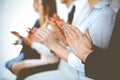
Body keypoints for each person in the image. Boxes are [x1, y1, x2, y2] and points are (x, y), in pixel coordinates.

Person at [34, 0, 115, 79]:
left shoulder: (104, 15)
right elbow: (81, 48)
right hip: (67, 70)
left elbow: (93, 65)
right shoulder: (85, 8)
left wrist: (54, 45)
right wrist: (67, 41)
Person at [62, 8, 120, 80]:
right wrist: (72, 41)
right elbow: (113, 56)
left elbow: (114, 68)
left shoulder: (103, 15)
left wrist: (86, 54)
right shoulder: (84, 9)